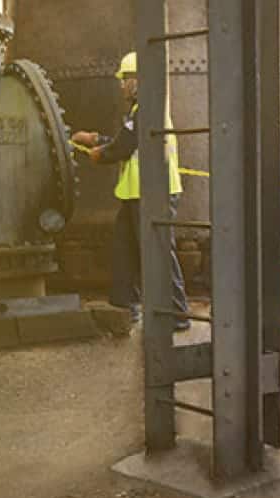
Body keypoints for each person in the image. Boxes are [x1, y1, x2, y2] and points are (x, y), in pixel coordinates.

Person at [71, 51, 190, 330]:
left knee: (158, 251)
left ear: (138, 80)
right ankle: (125, 304)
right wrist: (96, 140)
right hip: (137, 193)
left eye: (125, 79)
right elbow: (127, 140)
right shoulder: (140, 111)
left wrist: (100, 152)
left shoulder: (147, 107)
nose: (121, 85)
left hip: (154, 193)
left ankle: (177, 313)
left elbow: (122, 147)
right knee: (124, 246)